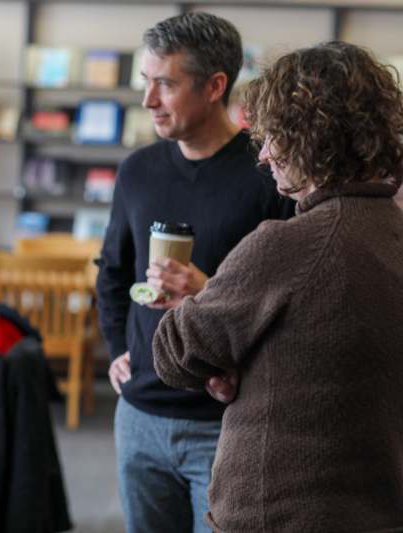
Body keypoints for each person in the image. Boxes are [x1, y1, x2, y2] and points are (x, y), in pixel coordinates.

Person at [153, 41, 403, 532]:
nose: (264, 155)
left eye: (273, 136)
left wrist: (226, 353)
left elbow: (174, 352)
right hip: (380, 506)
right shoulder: (392, 231)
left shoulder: (287, 246)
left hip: (280, 510)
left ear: (311, 137)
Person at [95, 12, 295, 532]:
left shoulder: (269, 173)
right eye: (146, 82)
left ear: (214, 86)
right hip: (138, 416)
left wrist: (207, 293)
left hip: (226, 422)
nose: (148, 100)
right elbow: (113, 272)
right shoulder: (136, 170)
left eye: (165, 83)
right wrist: (117, 344)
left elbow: (288, 300)